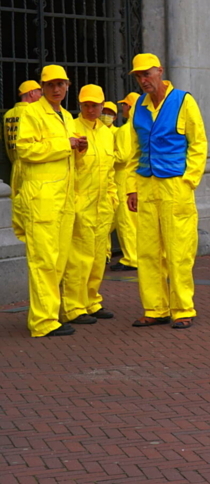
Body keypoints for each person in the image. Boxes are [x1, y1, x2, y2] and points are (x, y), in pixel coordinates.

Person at [126, 53, 208, 330]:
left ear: (160, 71)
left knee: (178, 250)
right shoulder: (138, 104)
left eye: (147, 74)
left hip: (175, 184)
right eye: (138, 76)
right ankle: (155, 308)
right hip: (147, 183)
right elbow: (133, 149)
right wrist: (131, 187)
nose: (143, 80)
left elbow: (198, 143)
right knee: (147, 251)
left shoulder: (184, 100)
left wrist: (189, 181)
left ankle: (183, 308)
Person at [15, 65, 80, 337]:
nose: (56, 89)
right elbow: (25, 148)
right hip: (41, 198)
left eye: (61, 84)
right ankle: (42, 322)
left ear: (67, 86)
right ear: (41, 88)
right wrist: (67, 145)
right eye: (51, 85)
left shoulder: (66, 115)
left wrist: (79, 150)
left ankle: (52, 314)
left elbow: (69, 158)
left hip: (63, 198)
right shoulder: (31, 112)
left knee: (59, 260)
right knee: (43, 260)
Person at [61, 84, 117, 325]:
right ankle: (73, 307)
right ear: (80, 104)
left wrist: (113, 198)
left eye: (95, 104)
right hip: (81, 201)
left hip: (102, 203)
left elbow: (111, 169)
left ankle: (91, 301)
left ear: (103, 105)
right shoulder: (71, 128)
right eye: (86, 105)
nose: (91, 109)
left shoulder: (106, 132)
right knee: (77, 259)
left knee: (97, 257)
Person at [4, 79, 42, 241]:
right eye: (39, 91)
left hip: (15, 165)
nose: (42, 95)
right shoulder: (33, 112)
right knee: (31, 209)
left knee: (16, 207)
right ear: (32, 93)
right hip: (31, 165)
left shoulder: (8, 115)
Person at [110, 92, 139, 272]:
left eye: (125, 105)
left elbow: (122, 156)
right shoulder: (141, 127)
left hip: (122, 177)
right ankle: (139, 255)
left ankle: (131, 258)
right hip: (138, 176)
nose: (123, 109)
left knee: (125, 221)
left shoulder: (124, 130)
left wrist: (104, 155)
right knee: (136, 221)